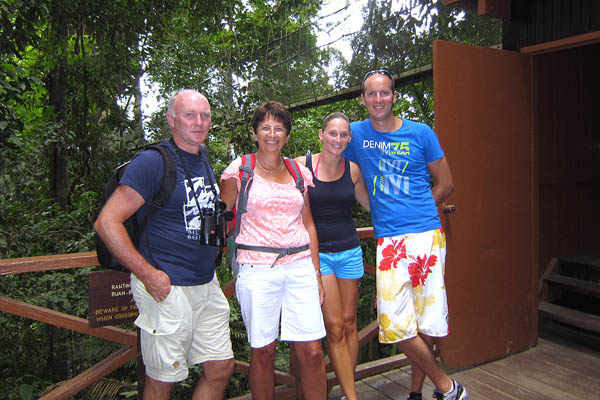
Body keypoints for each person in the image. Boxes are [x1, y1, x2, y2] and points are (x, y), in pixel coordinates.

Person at [94, 89, 234, 400]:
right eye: (189, 115)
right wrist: (147, 274)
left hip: (205, 284)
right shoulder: (153, 162)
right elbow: (107, 222)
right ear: (171, 120)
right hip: (167, 288)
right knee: (162, 381)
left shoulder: (203, 158)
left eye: (205, 115)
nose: (198, 122)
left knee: (221, 367)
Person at [343, 70, 468, 400]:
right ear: (363, 99)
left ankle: (415, 393)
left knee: (425, 320)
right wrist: (370, 204)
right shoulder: (355, 134)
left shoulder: (420, 133)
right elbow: (335, 164)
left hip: (426, 235)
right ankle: (446, 385)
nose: (378, 99)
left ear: (394, 96)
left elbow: (446, 182)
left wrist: (421, 210)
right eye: (371, 94)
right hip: (389, 241)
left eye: (384, 93)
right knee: (394, 321)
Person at [220, 101, 327, 400]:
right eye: (265, 127)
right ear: (254, 133)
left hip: (301, 266)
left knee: (313, 352)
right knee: (263, 351)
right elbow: (220, 212)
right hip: (257, 268)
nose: (272, 133)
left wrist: (317, 274)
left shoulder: (297, 172)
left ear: (287, 136)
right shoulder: (240, 170)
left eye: (279, 128)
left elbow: (309, 225)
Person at [294, 112, 369, 400]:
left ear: (349, 139)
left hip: (349, 250)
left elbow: (369, 203)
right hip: (318, 256)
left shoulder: (353, 170)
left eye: (344, 135)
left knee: (350, 323)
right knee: (335, 328)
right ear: (321, 135)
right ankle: (352, 397)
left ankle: (346, 389)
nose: (338, 139)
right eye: (333, 133)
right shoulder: (301, 166)